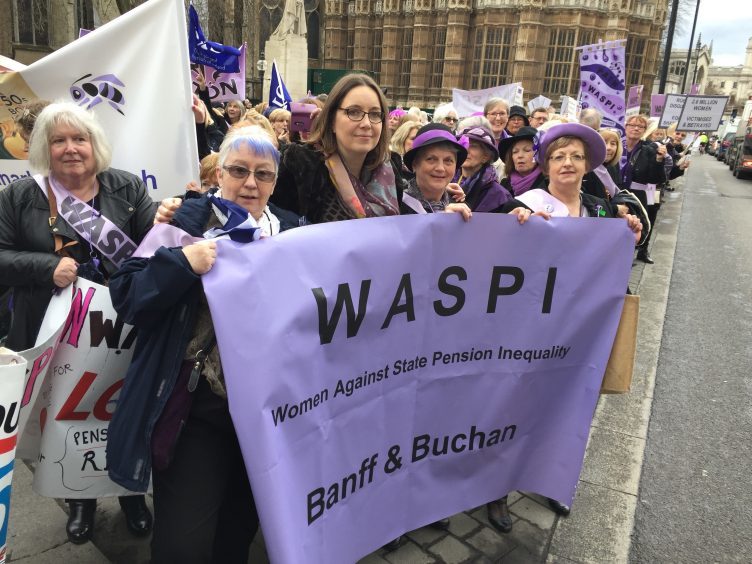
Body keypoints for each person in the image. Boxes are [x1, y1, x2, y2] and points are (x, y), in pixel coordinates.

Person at [107, 127, 299, 563]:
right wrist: (181, 264)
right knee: (183, 545)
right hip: (199, 407)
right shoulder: (185, 223)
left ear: (275, 181)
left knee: (237, 528)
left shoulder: (291, 229)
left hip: (266, 413)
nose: (251, 183)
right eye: (239, 170)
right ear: (218, 174)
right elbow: (128, 297)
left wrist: (443, 226)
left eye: (264, 174)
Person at [0, 101, 155, 544]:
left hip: (120, 326)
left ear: (95, 144)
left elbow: (152, 247)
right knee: (68, 414)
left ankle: (130, 496)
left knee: (123, 410)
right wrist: (44, 266)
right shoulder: (20, 196)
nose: (71, 148)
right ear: (44, 149)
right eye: (59, 140)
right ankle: (80, 498)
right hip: (53, 330)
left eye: (79, 138)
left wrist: (174, 219)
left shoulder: (125, 188)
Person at [488, 123, 643, 533]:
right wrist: (514, 225)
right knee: (515, 405)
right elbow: (493, 257)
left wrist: (631, 233)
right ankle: (498, 488)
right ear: (546, 165)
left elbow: (615, 263)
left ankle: (549, 478)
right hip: (529, 332)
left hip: (577, 335)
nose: (568, 163)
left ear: (589, 163)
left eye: (576, 156)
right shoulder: (520, 205)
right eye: (559, 156)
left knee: (565, 408)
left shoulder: (603, 209)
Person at [271, 73, 401, 223]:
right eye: (353, 112)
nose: (366, 123)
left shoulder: (392, 169)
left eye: (375, 114)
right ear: (331, 120)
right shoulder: (301, 166)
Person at [398, 123, 472, 218]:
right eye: (431, 159)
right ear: (414, 164)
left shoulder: (461, 208)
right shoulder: (397, 206)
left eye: (448, 161)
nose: (440, 168)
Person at [622, 114, 666, 264]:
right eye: (632, 124)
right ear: (625, 127)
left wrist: (659, 161)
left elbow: (656, 179)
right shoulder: (616, 146)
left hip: (638, 196)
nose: (635, 128)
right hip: (615, 194)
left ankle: (639, 252)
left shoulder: (649, 150)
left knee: (632, 231)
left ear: (644, 131)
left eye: (640, 126)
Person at [453, 125, 513, 211]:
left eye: (473, 146)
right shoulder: (446, 183)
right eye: (463, 144)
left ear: (486, 156)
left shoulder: (498, 194)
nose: (466, 149)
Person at [497, 126, 546, 197]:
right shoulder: (504, 185)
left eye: (527, 150)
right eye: (515, 152)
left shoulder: (549, 183)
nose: (519, 156)